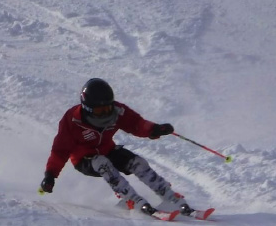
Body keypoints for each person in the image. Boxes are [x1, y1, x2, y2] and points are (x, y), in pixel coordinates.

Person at [39, 78, 195, 217]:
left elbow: (136, 124)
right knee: (101, 163)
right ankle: (131, 199)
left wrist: (154, 129)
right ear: (87, 108)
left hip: (108, 150)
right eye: (100, 111)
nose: (105, 114)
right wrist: (50, 175)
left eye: (107, 109)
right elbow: (60, 150)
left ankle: (169, 196)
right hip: (84, 160)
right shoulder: (72, 120)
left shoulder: (117, 111)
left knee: (137, 162)